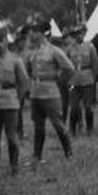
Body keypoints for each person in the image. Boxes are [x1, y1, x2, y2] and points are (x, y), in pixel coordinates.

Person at [24, 18, 73, 161]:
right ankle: (37, 155)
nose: (32, 35)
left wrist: (58, 81)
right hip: (36, 92)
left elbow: (69, 68)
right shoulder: (33, 52)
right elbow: (28, 69)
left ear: (42, 34)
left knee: (58, 124)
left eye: (36, 32)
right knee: (38, 126)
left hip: (51, 92)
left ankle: (68, 152)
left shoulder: (54, 51)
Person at [0, 26, 29, 175]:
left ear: (6, 41)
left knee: (12, 137)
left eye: (0, 41)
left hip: (10, 102)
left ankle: (14, 166)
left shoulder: (15, 60)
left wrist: (17, 99)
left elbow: (24, 82)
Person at [64, 22, 98, 136]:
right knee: (74, 108)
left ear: (85, 33)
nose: (80, 36)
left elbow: (95, 64)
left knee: (88, 107)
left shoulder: (90, 47)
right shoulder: (69, 49)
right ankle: (72, 130)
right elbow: (65, 65)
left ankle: (90, 129)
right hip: (74, 80)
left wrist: (93, 77)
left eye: (82, 33)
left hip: (87, 78)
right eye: (77, 34)